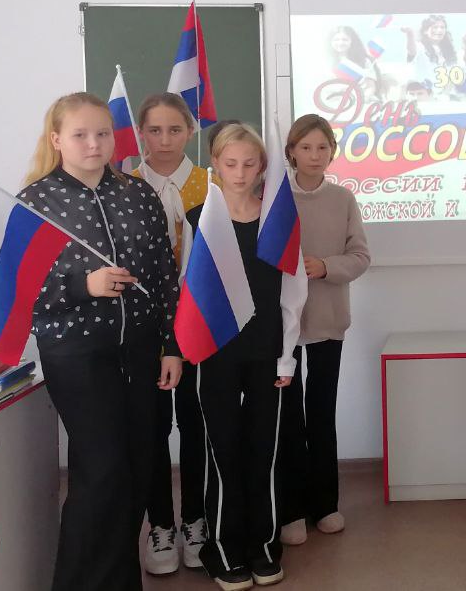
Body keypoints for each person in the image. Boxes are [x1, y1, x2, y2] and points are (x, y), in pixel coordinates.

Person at [19, 92, 181, 591]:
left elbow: (164, 275)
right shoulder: (36, 202)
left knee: (136, 468)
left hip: (140, 351)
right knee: (102, 470)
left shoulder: (138, 194)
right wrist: (81, 285)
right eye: (80, 134)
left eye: (103, 133)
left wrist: (171, 344)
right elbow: (19, 290)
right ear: (56, 140)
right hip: (77, 354)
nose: (94, 143)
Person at [188, 124, 304, 590]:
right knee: (222, 451)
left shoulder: (277, 220)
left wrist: (286, 357)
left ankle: (263, 544)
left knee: (263, 451)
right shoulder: (199, 219)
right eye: (230, 163)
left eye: (249, 163)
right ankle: (223, 547)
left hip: (265, 354)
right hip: (215, 355)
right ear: (215, 164)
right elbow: (186, 290)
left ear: (263, 166)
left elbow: (293, 291)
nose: (239, 173)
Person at [277, 115, 371, 546]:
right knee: (288, 418)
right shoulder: (274, 198)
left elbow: (360, 256)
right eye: (306, 147)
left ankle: (325, 504)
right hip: (284, 327)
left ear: (332, 151)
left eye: (322, 147)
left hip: (329, 322)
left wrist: (326, 266)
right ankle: (291, 510)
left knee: (321, 414)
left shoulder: (342, 198)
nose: (315, 156)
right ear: (291, 151)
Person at [133, 93, 211, 574]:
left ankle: (195, 520)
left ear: (191, 132)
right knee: (152, 426)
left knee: (197, 423)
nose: (164, 140)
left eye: (175, 130)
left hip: (198, 321)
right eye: (155, 130)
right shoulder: (126, 186)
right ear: (140, 132)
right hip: (144, 327)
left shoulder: (212, 184)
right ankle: (160, 524)